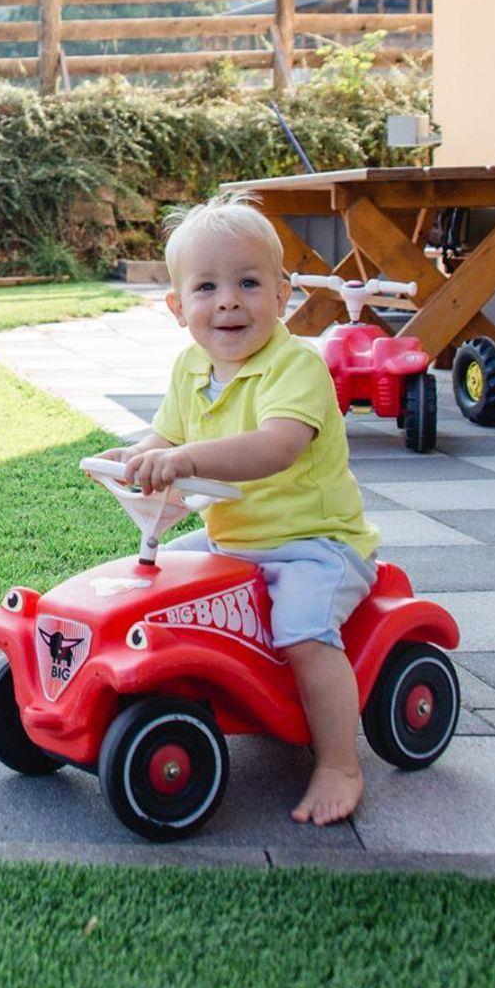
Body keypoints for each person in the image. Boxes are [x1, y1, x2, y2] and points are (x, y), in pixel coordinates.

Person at [107, 192, 381, 826]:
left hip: (315, 544)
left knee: (304, 633)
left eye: (249, 283)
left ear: (283, 295)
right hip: (232, 539)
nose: (228, 301)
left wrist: (185, 459)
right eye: (206, 287)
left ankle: (339, 763)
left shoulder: (297, 366)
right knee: (152, 584)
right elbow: (164, 437)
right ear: (178, 308)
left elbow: (276, 447)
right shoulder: (190, 368)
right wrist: (137, 456)